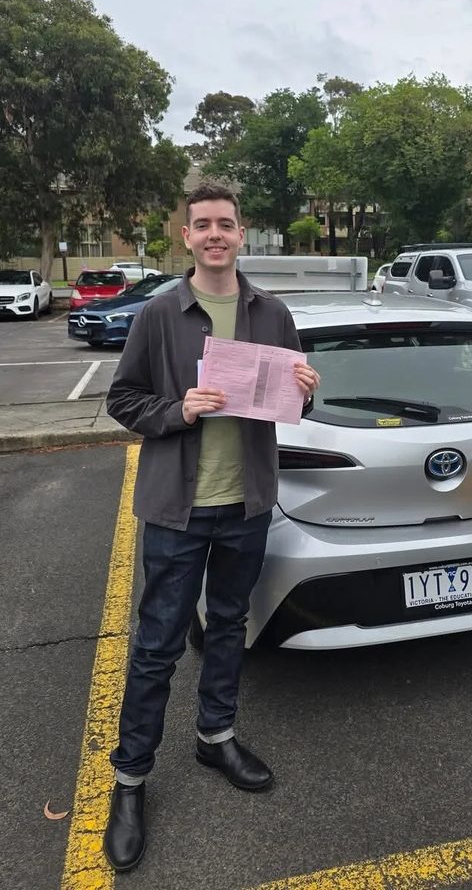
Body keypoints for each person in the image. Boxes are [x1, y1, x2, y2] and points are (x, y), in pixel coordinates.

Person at [102, 183, 320, 872]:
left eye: (226, 223)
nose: (215, 234)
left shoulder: (271, 312)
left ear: (242, 233)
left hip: (247, 504)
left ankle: (215, 736)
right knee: (158, 644)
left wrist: (310, 392)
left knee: (229, 626)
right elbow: (123, 399)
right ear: (187, 236)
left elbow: (292, 406)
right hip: (178, 508)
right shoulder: (163, 313)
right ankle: (130, 781)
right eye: (203, 225)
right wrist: (178, 409)